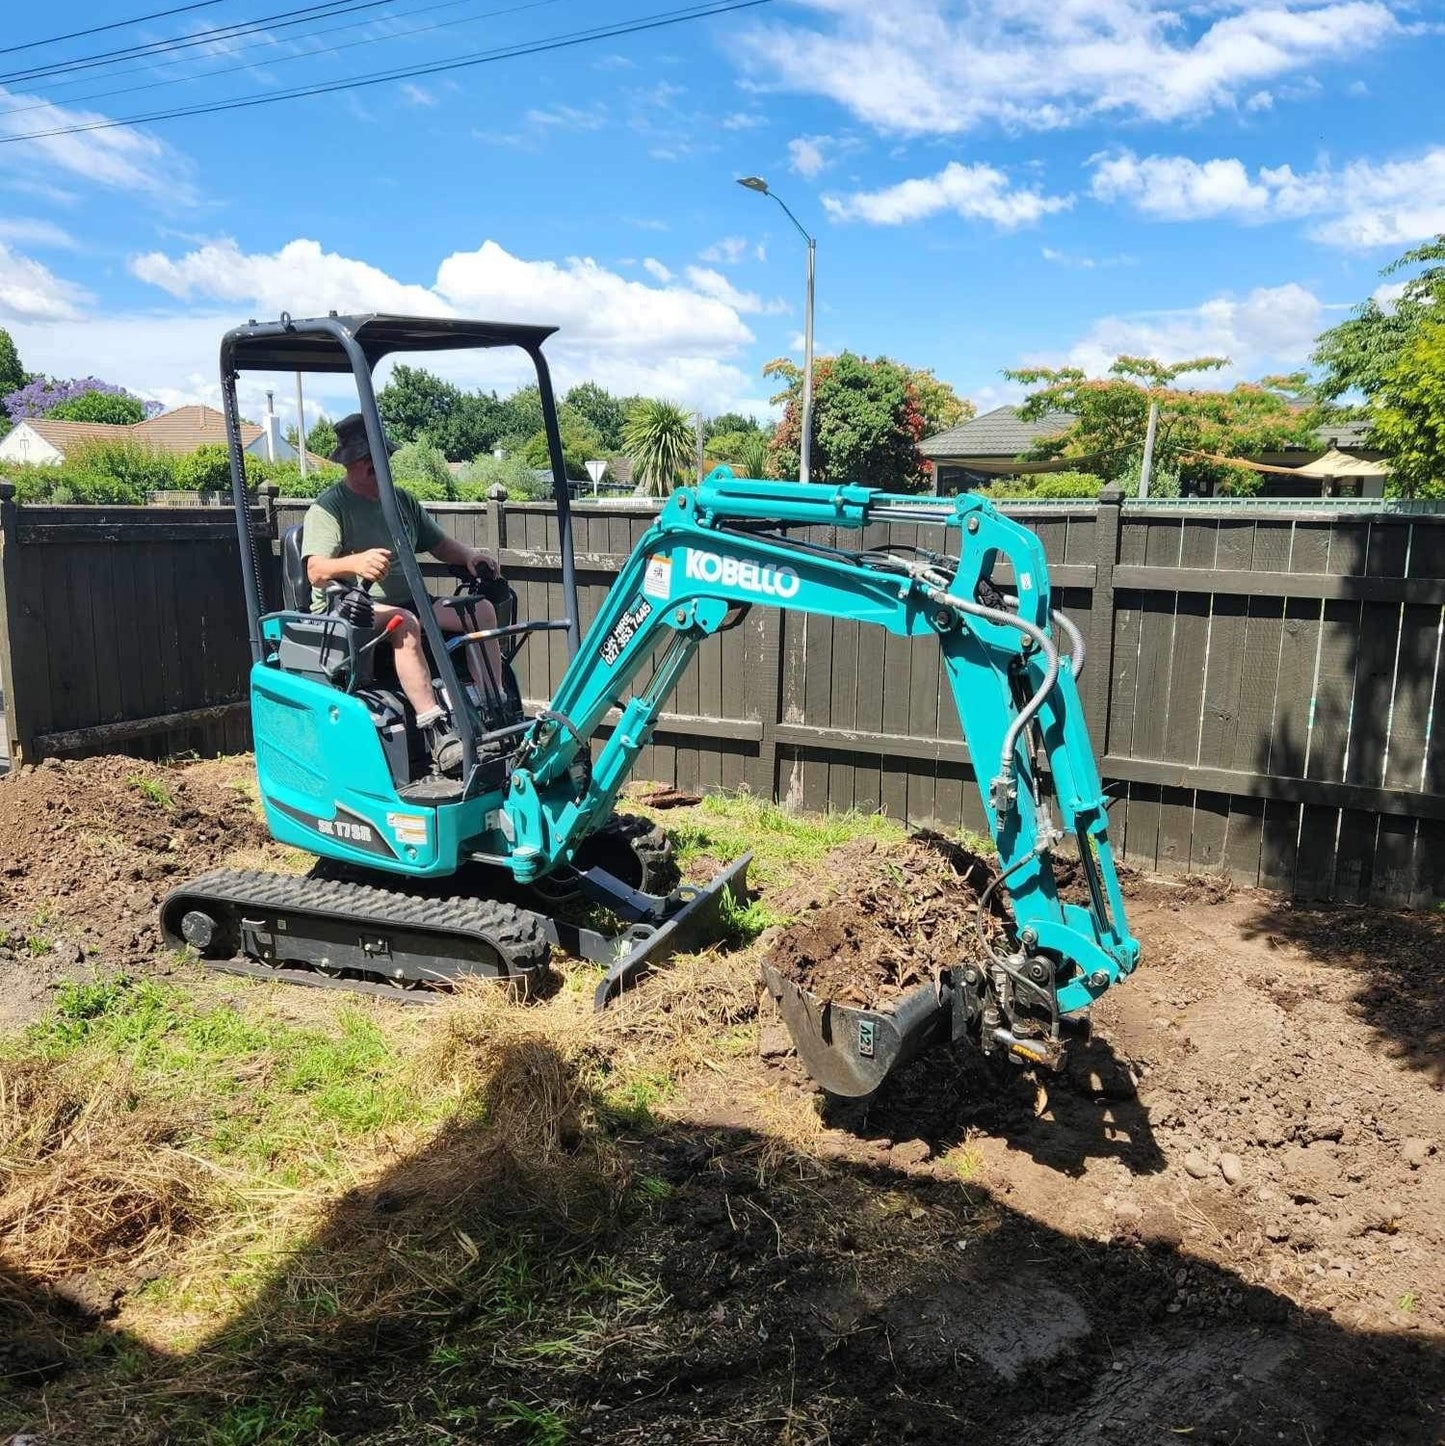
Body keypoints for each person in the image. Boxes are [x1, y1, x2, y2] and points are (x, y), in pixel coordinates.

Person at [301, 412, 505, 776]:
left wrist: (471, 556)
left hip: (407, 599)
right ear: (361, 465)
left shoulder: (401, 501)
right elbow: (315, 570)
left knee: (482, 610)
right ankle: (437, 732)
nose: (384, 467)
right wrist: (356, 562)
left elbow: (440, 544)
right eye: (377, 461)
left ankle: (493, 709)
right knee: (405, 623)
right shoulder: (329, 507)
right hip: (350, 611)